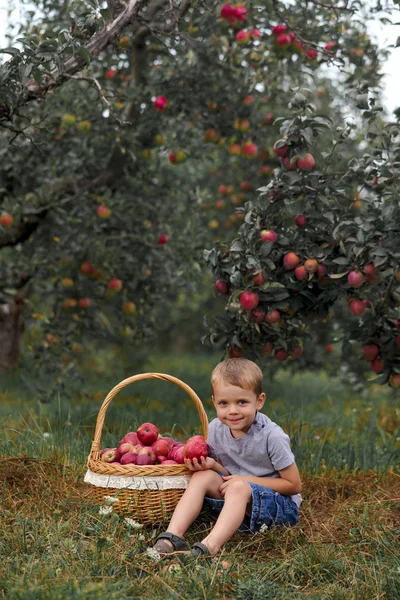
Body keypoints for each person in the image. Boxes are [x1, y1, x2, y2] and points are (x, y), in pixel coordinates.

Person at [153, 358, 302, 557]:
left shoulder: (272, 436)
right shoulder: (216, 428)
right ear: (214, 401)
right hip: (237, 499)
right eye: (224, 403)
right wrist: (213, 465)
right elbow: (229, 475)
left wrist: (245, 481)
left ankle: (208, 549)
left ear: (259, 401)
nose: (232, 411)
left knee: (239, 487)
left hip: (278, 507)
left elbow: (293, 485)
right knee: (203, 475)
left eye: (242, 402)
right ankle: (172, 537)